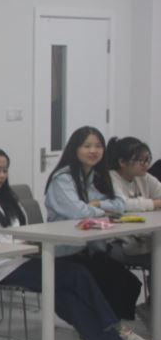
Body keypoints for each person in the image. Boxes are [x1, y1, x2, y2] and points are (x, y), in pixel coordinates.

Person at [0, 147, 153, 340]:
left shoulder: (8, 198)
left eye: (5, 171)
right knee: (76, 273)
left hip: (25, 258)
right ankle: (118, 329)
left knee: (70, 300)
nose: (2, 176)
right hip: (0, 268)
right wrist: (17, 244)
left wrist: (28, 242)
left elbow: (23, 231)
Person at [45, 126, 142, 321]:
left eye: (98, 146)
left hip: (90, 249)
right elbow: (79, 212)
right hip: (66, 251)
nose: (93, 151)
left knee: (129, 283)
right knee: (110, 282)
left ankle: (114, 329)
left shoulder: (96, 176)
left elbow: (120, 205)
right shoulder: (62, 179)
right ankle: (108, 329)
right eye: (87, 146)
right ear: (75, 149)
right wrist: (103, 210)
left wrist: (97, 205)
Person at [106, 136, 161, 267]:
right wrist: (155, 204)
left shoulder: (144, 177)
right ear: (122, 162)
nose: (146, 165)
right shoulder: (111, 178)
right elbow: (123, 204)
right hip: (118, 242)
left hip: (142, 239)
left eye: (148, 160)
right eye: (140, 161)